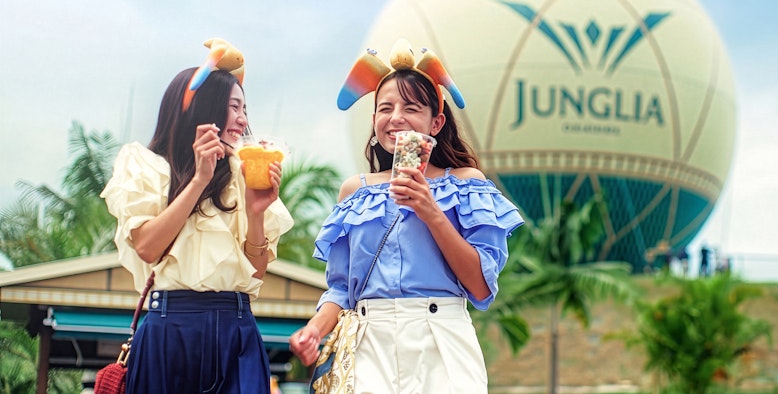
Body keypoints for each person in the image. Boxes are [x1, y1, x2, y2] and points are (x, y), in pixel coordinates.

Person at [288, 38, 525, 393]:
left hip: (441, 340)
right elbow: (341, 288)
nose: (396, 118)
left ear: (436, 122)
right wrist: (314, 330)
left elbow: (480, 286)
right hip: (370, 346)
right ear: (373, 121)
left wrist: (430, 211)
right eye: (385, 108)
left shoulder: (465, 184)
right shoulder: (356, 190)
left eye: (411, 107)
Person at [100, 39, 294, 393]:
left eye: (245, 108)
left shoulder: (244, 171)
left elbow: (256, 272)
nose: (243, 119)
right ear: (204, 109)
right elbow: (146, 246)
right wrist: (199, 179)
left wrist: (255, 213)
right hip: (170, 326)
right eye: (234, 107)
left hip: (236, 327)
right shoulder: (146, 166)